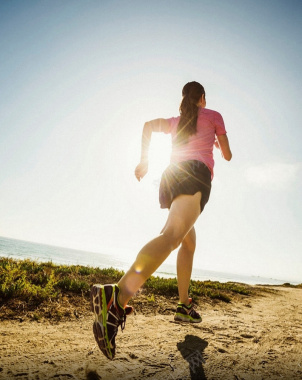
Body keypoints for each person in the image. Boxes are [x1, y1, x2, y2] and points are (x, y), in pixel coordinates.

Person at [90, 81, 232, 360]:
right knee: (172, 237)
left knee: (187, 241)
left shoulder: (177, 121)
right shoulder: (213, 116)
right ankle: (116, 298)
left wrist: (144, 160)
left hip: (173, 175)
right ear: (202, 98)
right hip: (195, 175)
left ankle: (183, 306)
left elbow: (147, 125)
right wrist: (217, 139)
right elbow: (227, 155)